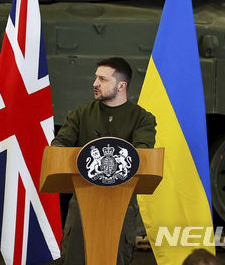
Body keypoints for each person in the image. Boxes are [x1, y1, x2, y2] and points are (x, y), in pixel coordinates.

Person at [51, 57, 156, 265]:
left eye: (102, 79)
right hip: (81, 207)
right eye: (95, 78)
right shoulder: (80, 114)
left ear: (121, 85)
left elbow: (142, 154)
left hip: (121, 207)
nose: (95, 83)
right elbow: (59, 145)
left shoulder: (142, 119)